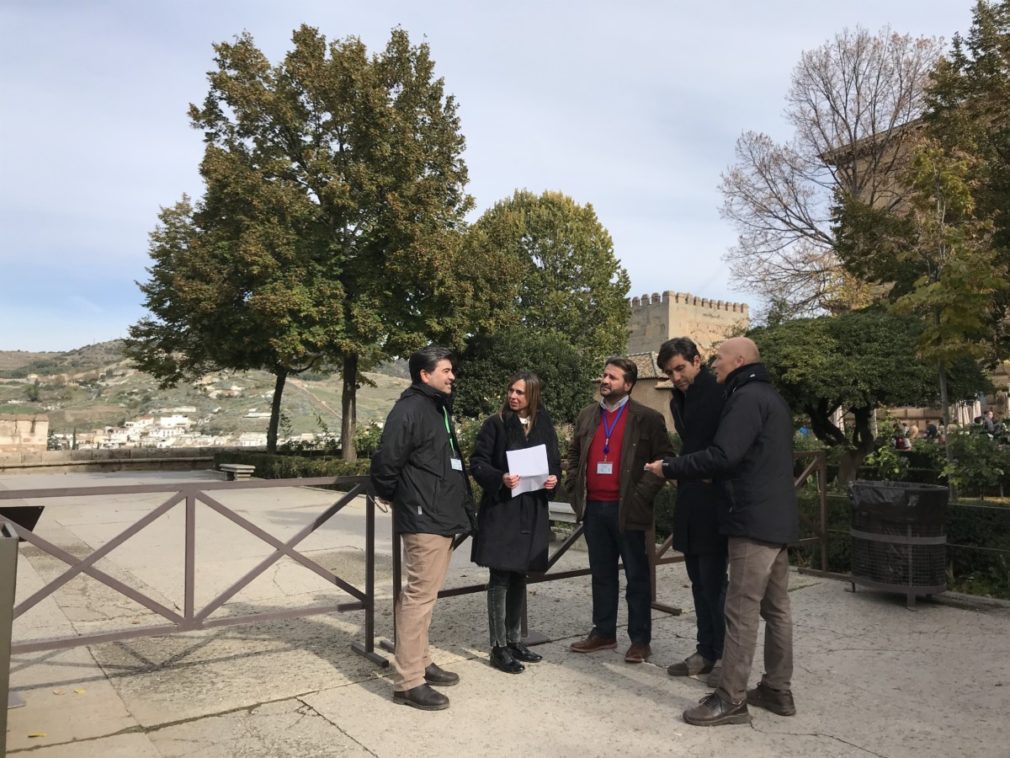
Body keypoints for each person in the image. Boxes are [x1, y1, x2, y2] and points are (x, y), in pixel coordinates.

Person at [645, 337, 799, 727]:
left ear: (740, 359)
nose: (715, 364)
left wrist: (670, 468)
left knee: (740, 610)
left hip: (750, 518)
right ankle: (777, 689)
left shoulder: (744, 398)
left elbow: (723, 455)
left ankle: (730, 697)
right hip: (775, 517)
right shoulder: (768, 396)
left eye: (719, 358)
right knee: (777, 609)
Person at [370, 346, 475, 711]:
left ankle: (421, 661)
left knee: (423, 596)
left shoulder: (436, 408)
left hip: (440, 513)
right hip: (424, 515)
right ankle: (408, 681)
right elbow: (387, 460)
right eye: (446, 370)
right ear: (424, 375)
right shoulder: (410, 409)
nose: (452, 376)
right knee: (418, 596)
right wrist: (389, 494)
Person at [565, 356, 674, 663]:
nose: (605, 380)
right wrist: (574, 486)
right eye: (604, 375)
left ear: (628, 385)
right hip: (595, 509)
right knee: (601, 574)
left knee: (637, 577)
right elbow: (574, 455)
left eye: (612, 377)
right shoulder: (587, 415)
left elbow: (664, 460)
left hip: (629, 510)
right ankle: (603, 632)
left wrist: (641, 497)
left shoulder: (647, 418)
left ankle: (640, 640)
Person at [469, 371, 561, 674]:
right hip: (503, 510)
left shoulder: (544, 423)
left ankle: (515, 639)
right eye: (511, 390)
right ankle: (498, 646)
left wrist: (553, 480)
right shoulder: (494, 423)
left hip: (532, 508)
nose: (513, 396)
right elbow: (478, 462)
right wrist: (500, 478)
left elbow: (555, 461)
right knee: (500, 577)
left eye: (520, 392)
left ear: (532, 395)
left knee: (520, 573)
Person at [656, 337, 728, 682]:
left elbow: (721, 450)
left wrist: (677, 468)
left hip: (715, 500)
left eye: (681, 368)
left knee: (715, 584)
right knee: (698, 582)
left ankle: (725, 656)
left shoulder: (718, 393)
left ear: (697, 360)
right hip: (691, 499)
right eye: (670, 372)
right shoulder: (677, 400)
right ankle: (706, 650)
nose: (676, 377)